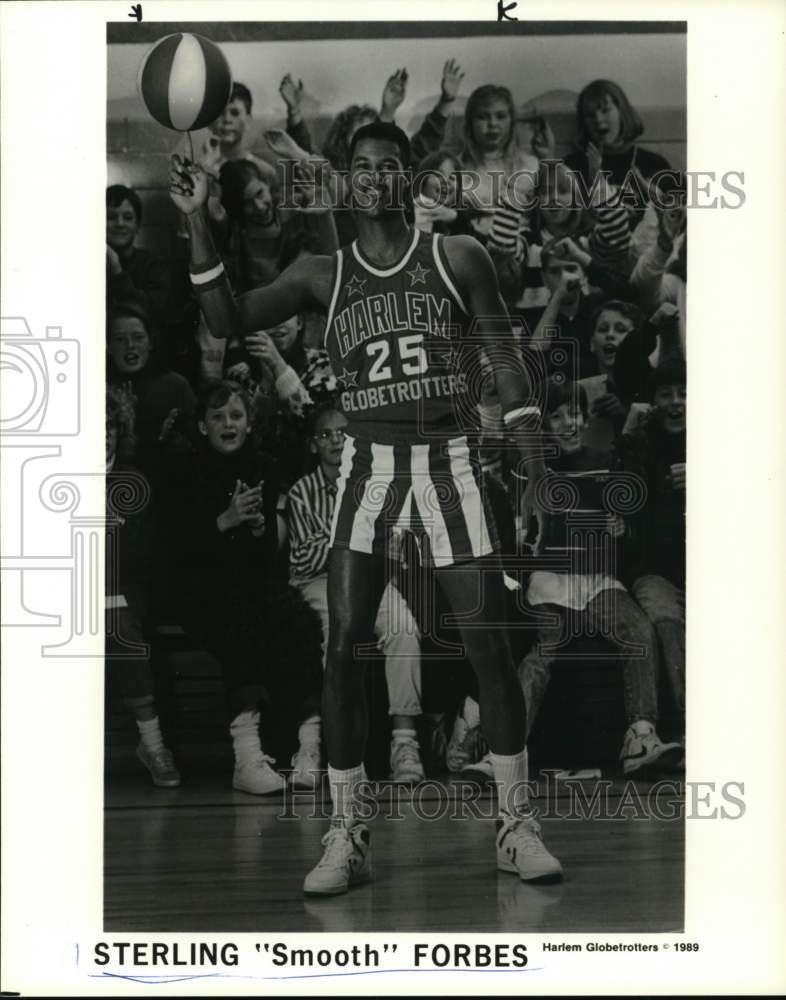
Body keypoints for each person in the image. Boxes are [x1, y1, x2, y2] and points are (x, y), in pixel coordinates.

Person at [169, 118, 563, 895]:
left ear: (411, 177)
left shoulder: (459, 256)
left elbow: (509, 376)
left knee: (490, 649)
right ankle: (347, 832)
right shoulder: (324, 273)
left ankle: (517, 825)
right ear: (346, 181)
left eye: (390, 164)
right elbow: (224, 319)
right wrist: (192, 217)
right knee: (343, 649)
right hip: (366, 467)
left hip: (449, 460)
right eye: (361, 165)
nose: (375, 175)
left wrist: (536, 471)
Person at [160, 380, 325, 794]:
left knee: (297, 617)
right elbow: (177, 552)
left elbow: (266, 551)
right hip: (198, 586)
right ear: (202, 427)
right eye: (217, 417)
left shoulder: (263, 467)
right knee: (238, 614)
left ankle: (308, 747)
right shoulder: (183, 469)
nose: (227, 424)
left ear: (249, 424)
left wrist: (257, 528)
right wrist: (224, 522)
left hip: (251, 580)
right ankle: (246, 754)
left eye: (235, 415)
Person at [515, 377, 683, 775]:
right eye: (555, 418)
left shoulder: (608, 461)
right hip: (551, 583)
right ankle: (506, 750)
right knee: (543, 652)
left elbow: (628, 529)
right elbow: (527, 536)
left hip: (598, 581)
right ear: (541, 428)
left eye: (573, 413)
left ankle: (640, 736)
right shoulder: (534, 472)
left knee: (638, 631)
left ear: (586, 417)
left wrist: (620, 530)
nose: (568, 424)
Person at [287, 403, 427, 783]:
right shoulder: (302, 491)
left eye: (341, 434)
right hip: (317, 582)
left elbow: (392, 546)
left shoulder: (374, 483)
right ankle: (332, 751)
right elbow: (303, 557)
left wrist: (347, 545)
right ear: (314, 444)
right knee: (337, 637)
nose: (335, 440)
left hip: (369, 575)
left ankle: (404, 743)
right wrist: (351, 541)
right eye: (325, 435)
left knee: (404, 627)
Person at [106, 385, 180, 787]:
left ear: (120, 432)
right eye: (92, 426)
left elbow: (144, 556)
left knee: (118, 623)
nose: (101, 434)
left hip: (124, 596)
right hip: (70, 599)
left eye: (109, 426)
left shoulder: (132, 481)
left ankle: (153, 745)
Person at [620, 357, 686, 722]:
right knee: (663, 616)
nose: (676, 402)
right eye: (666, 394)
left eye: (685, 394)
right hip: (656, 569)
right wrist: (631, 433)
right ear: (653, 403)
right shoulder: (644, 445)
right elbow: (626, 499)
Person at [106, 297, 196, 472]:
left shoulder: (176, 387)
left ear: (151, 342)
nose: (130, 346)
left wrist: (168, 440)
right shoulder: (96, 388)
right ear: (108, 346)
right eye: (120, 339)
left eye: (138, 337)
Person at [564, 79, 672, 223]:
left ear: (622, 112)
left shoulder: (654, 164)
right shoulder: (573, 165)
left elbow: (676, 219)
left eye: (605, 110)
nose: (598, 120)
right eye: (589, 115)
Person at [106, 185, 172, 326]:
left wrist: (117, 271)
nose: (120, 223)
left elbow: (152, 313)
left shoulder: (153, 265)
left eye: (128, 218)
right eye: (111, 217)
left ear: (137, 226)